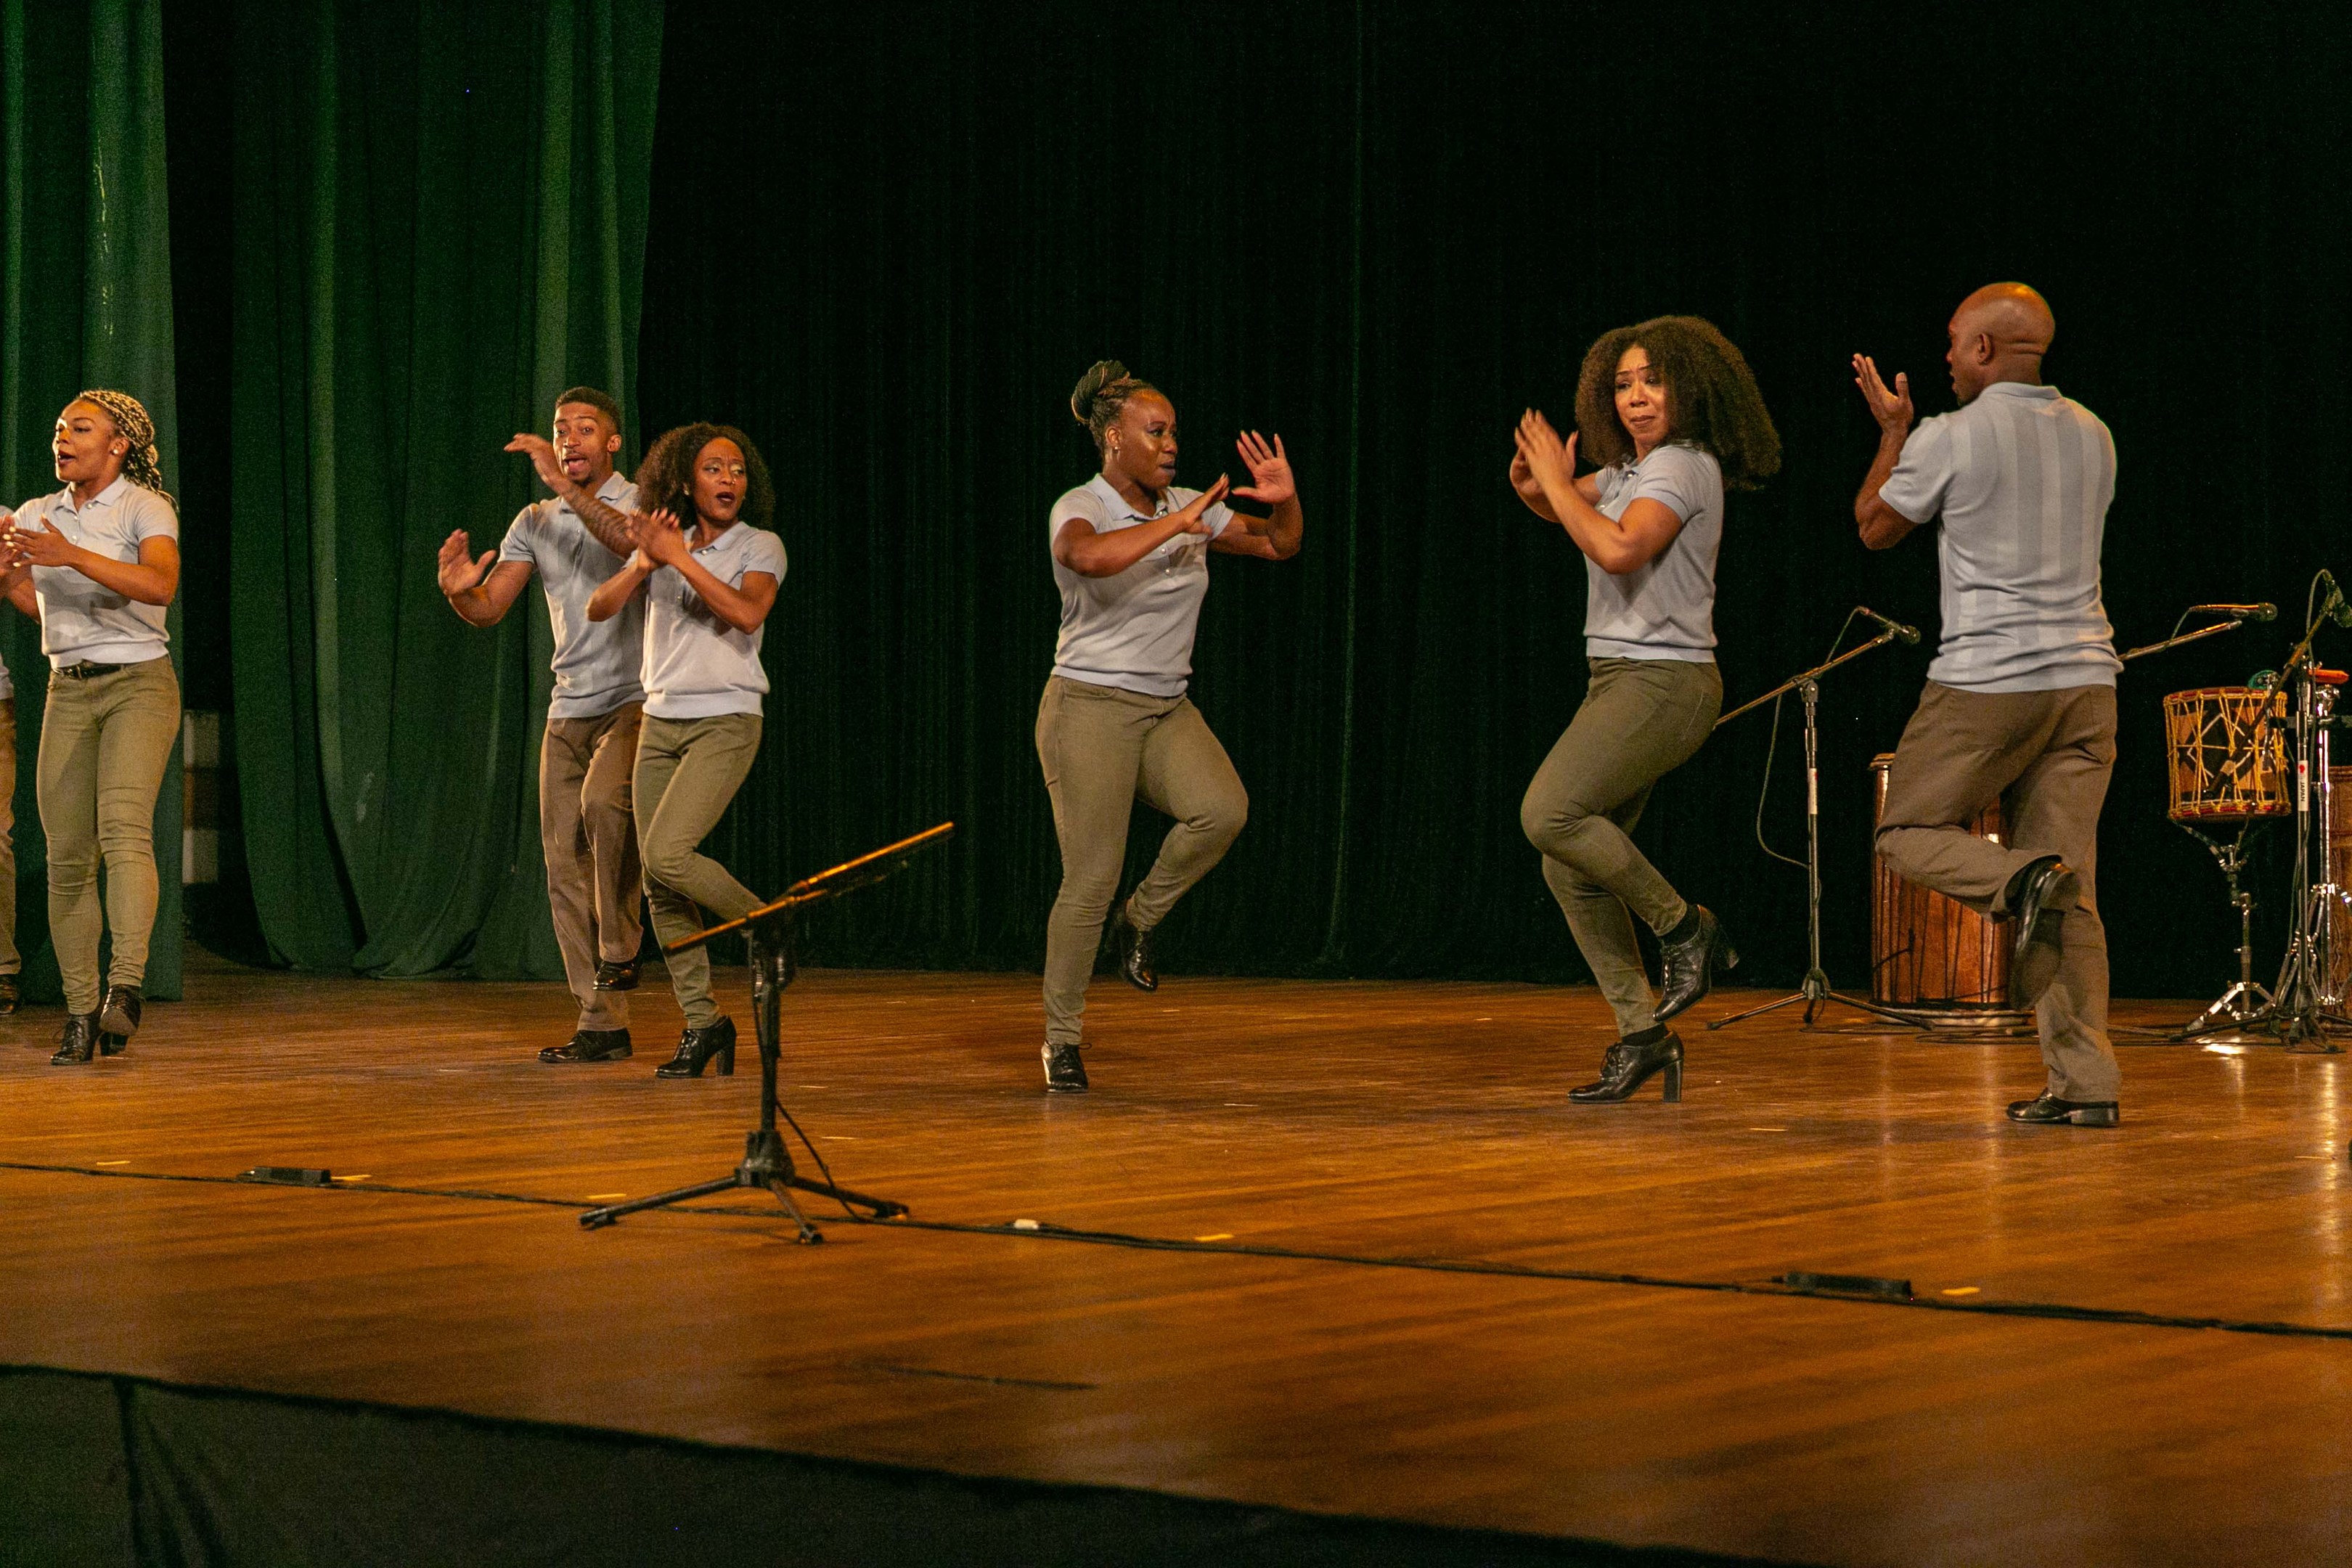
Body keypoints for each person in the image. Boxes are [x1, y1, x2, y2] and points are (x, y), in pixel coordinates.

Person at [1853, 282, 2123, 1127]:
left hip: (1988, 682)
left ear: (1983, 352)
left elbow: (1873, 526)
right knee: (2068, 891)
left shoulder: (1952, 436)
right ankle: (2086, 1089)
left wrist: (1895, 433)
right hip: (2086, 686)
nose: (1942, 358)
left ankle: (2020, 874)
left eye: (1952, 342)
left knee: (1905, 833)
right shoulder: (2094, 432)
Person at [1510, 317, 1780, 1103]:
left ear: (1690, 388)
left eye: (1652, 381)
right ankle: (1643, 1034)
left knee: (1550, 812)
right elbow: (1558, 507)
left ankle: (1687, 927)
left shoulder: (1686, 468)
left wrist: (1559, 488)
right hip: (1619, 678)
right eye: (1623, 383)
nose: (1635, 397)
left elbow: (1621, 547)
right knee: (1568, 865)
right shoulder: (1633, 469)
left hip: (1664, 682)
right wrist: (1538, 481)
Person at [1036, 360, 1302, 1094]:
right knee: (1089, 878)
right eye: (1156, 432)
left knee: (1222, 810)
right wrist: (1175, 525)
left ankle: (1141, 919)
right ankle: (1061, 1039)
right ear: (1113, 438)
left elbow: (1281, 544)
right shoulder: (1079, 506)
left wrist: (1284, 502)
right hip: (1088, 708)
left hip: (1164, 707)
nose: (1172, 444)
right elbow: (1086, 557)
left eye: (1175, 432)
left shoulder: (1192, 504)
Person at [439, 387, 647, 1064]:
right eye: (561, 430)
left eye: (586, 429)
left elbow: (621, 541)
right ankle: (600, 1021)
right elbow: (491, 608)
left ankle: (621, 951)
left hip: (634, 700)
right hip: (568, 708)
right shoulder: (534, 519)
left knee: (603, 811)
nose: (571, 441)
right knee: (562, 865)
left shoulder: (642, 503)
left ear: (612, 442)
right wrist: (458, 591)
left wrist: (563, 486)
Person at [584, 422, 784, 1079]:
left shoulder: (761, 546)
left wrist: (678, 559)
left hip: (725, 721)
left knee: (670, 853)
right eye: (714, 470)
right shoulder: (664, 545)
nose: (729, 480)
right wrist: (644, 563)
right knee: (658, 883)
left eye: (738, 470)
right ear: (685, 480)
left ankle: (768, 926)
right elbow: (598, 608)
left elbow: (746, 615)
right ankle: (704, 1023)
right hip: (661, 722)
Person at [0, 391, 182, 1064]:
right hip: (66, 688)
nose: (63, 438)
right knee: (67, 855)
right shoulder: (35, 514)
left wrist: (69, 555)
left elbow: (160, 586)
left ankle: (125, 987)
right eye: (57, 428)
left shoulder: (144, 506)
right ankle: (79, 1013)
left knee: (124, 830)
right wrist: (9, 580)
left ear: (118, 446)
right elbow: (43, 608)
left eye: (80, 428)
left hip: (139, 683)